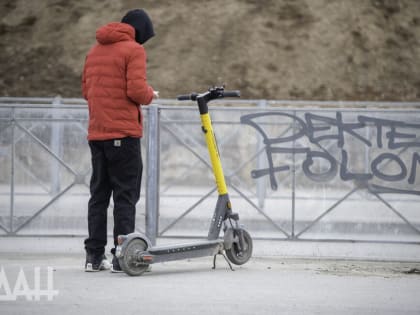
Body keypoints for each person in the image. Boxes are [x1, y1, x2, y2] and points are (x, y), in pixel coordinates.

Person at [81, 9, 158, 272]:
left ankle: (93, 257)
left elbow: (86, 90)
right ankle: (121, 258)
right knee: (125, 196)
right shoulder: (133, 50)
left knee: (99, 195)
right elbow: (136, 90)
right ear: (139, 32)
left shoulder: (95, 50)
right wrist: (151, 94)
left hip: (97, 133)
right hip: (123, 135)